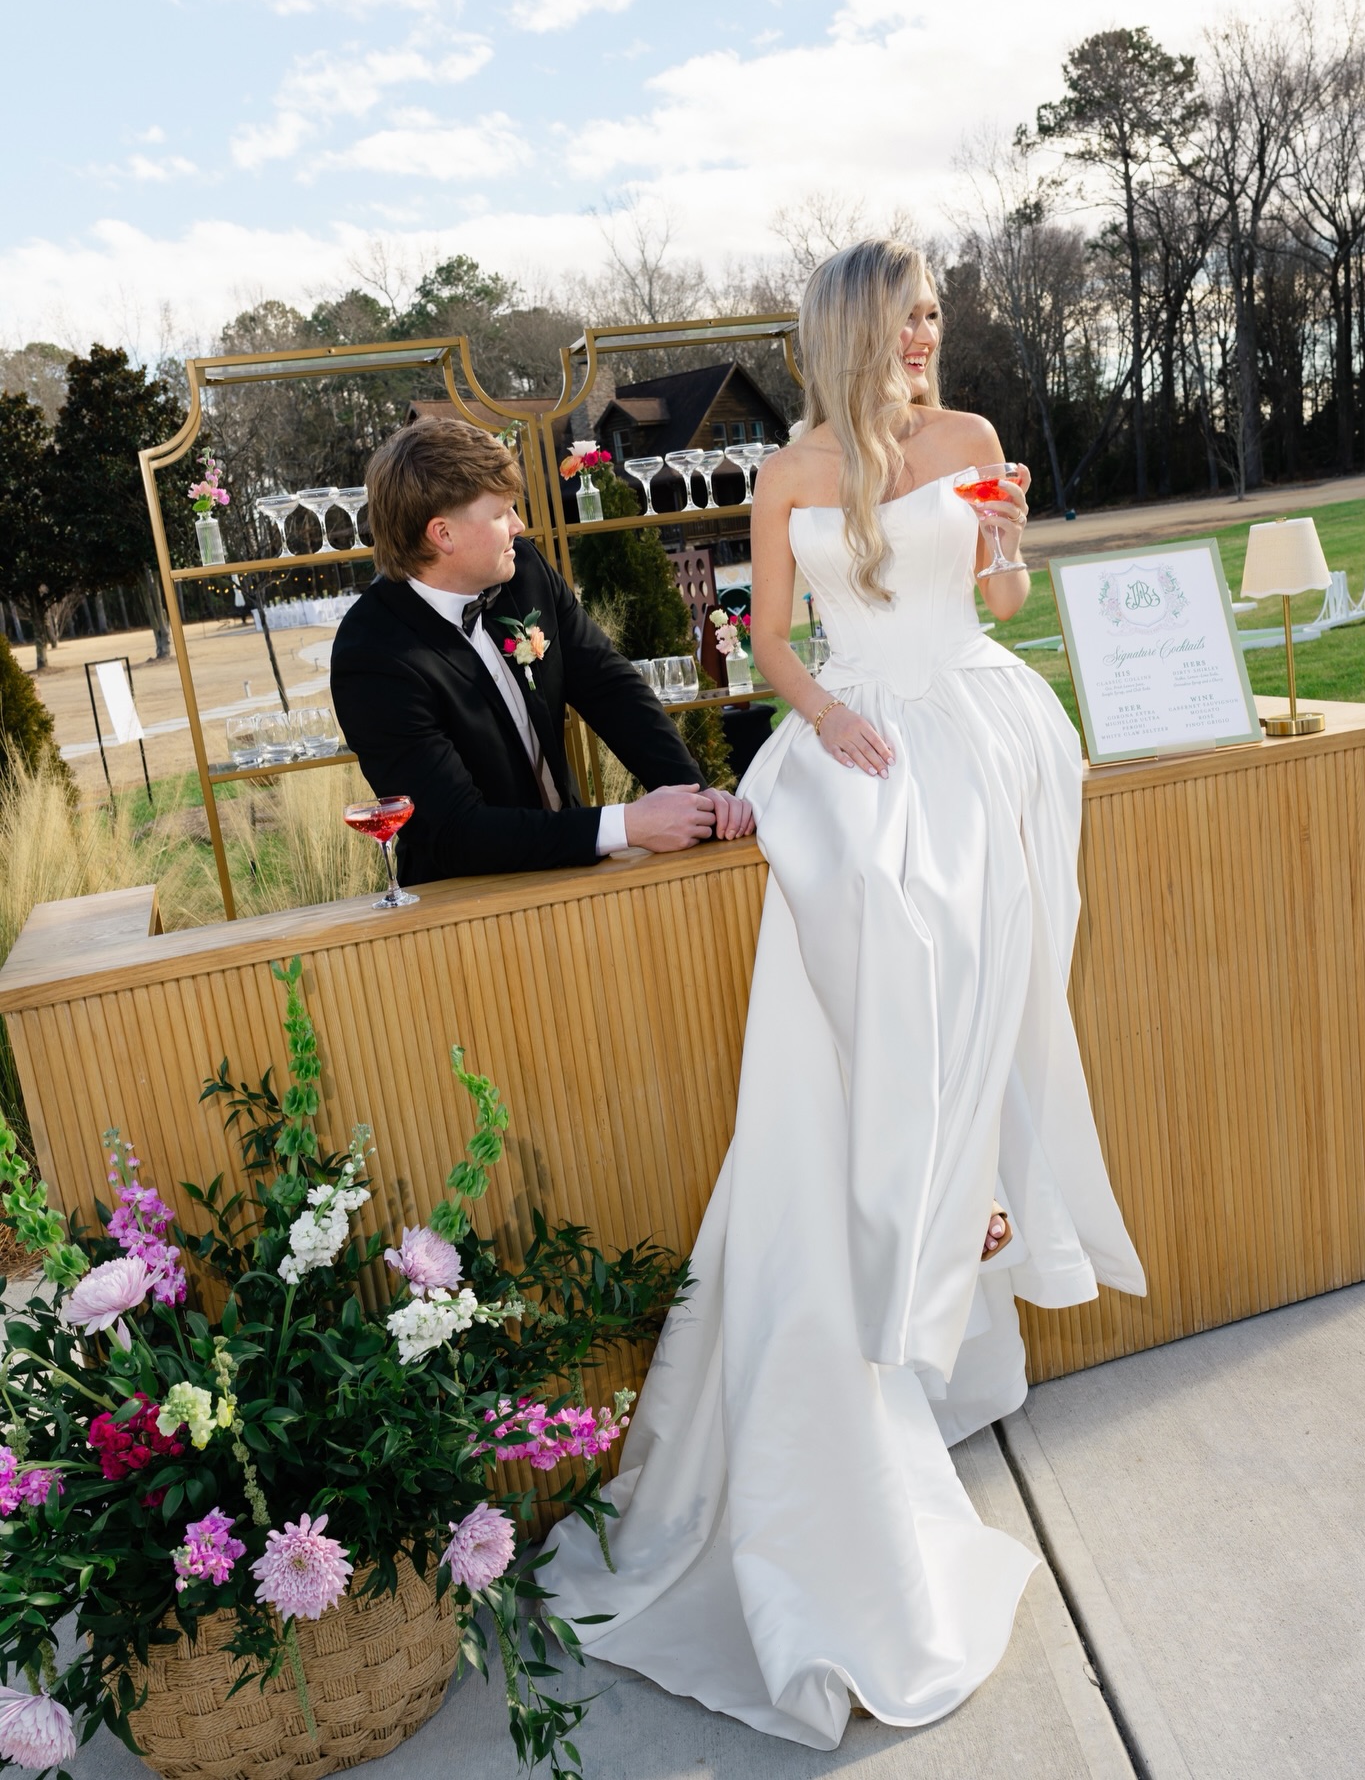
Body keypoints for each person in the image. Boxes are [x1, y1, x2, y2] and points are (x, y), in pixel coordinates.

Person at [541, 240, 1146, 1748]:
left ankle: (956, 1239)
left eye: (939, 315)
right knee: (871, 913)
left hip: (978, 725)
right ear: (851, 336)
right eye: (909, 320)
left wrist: (1011, 548)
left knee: (981, 977)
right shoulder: (792, 467)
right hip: (857, 731)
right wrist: (823, 716)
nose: (931, 340)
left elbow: (998, 600)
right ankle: (891, 1253)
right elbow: (762, 641)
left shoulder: (974, 444)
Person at [330, 418, 753, 883]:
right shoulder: (373, 656)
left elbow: (611, 689)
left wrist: (694, 797)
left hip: (571, 869)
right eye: (500, 514)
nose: (519, 525)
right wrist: (627, 825)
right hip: (464, 909)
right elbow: (456, 832)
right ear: (442, 534)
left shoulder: (523, 570)